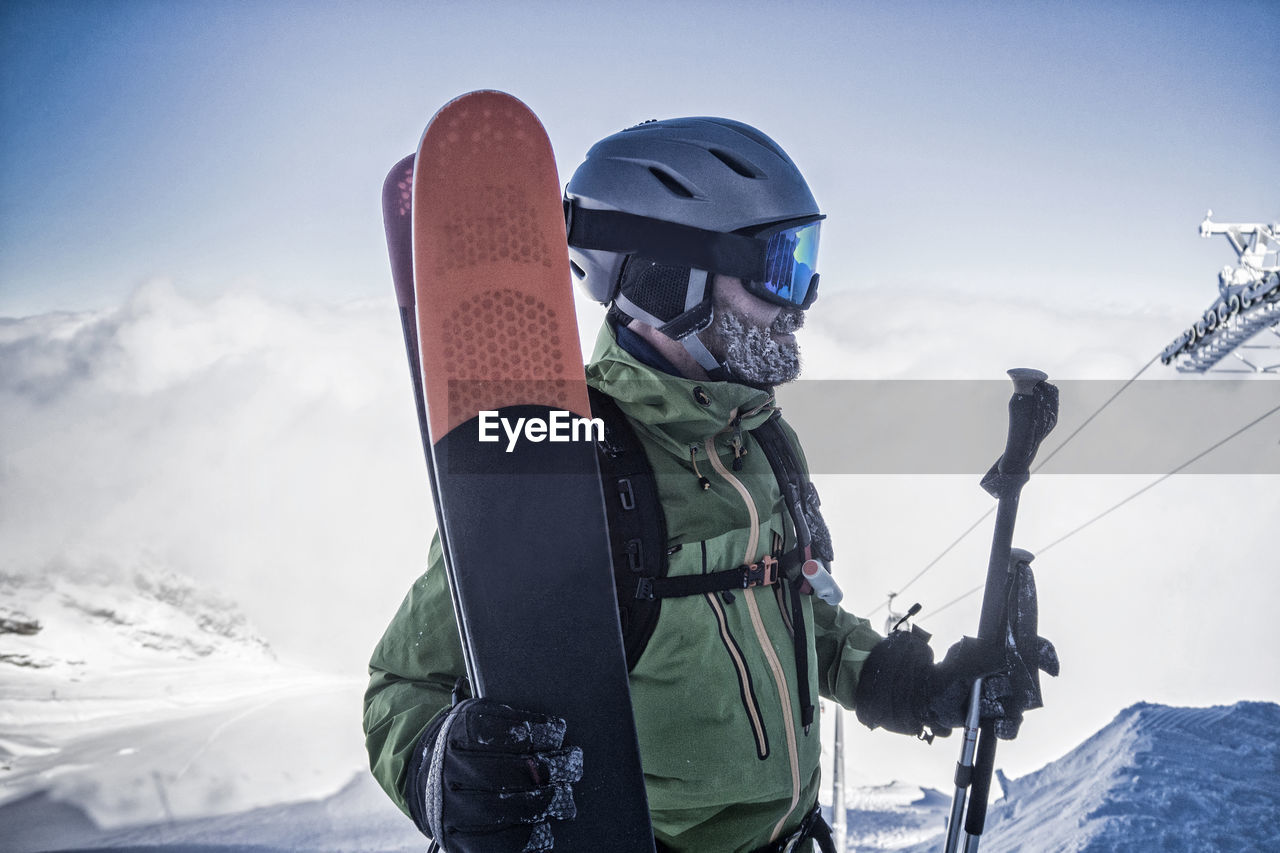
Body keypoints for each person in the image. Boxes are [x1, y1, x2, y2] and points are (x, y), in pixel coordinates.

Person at [364, 117, 1014, 853]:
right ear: (669, 276)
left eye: (805, 260)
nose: (799, 301)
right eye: (777, 264)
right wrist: (439, 768)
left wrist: (910, 683)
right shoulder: (564, 469)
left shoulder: (761, 435)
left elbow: (791, 609)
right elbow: (402, 685)